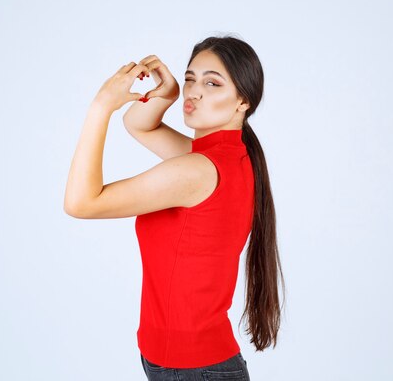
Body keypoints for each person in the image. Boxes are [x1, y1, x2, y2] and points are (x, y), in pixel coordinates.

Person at [64, 35, 285, 380]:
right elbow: (139, 124)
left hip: (192, 367)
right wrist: (164, 96)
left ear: (243, 100)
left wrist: (100, 107)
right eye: (189, 79)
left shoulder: (197, 170)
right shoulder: (228, 159)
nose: (193, 92)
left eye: (212, 83)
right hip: (194, 363)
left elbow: (81, 203)